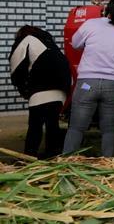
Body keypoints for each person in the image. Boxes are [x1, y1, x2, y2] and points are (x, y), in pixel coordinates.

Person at [62, 0, 114, 157]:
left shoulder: (90, 25)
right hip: (113, 86)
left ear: (107, 9)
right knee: (109, 130)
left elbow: (75, 43)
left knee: (76, 128)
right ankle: (109, 166)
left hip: (87, 84)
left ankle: (67, 165)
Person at [9, 25, 71, 158]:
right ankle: (53, 157)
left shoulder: (26, 39)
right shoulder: (49, 42)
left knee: (35, 127)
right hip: (62, 90)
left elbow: (16, 69)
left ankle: (29, 158)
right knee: (52, 125)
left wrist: (25, 91)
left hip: (40, 91)